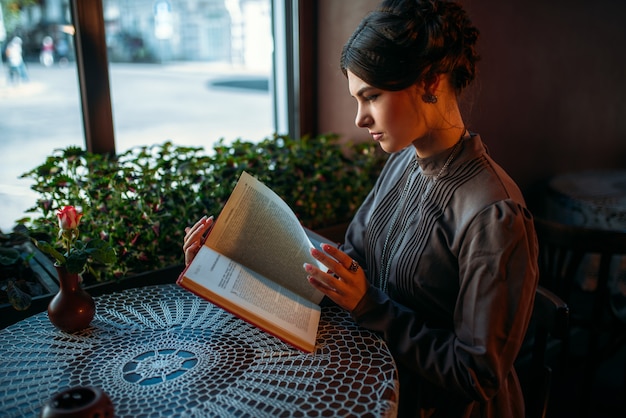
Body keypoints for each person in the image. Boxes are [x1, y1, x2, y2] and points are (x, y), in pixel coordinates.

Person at [183, 0, 538, 416]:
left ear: (430, 80)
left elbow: (476, 374)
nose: (359, 119)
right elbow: (352, 264)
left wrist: (368, 304)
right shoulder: (403, 162)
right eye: (357, 98)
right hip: (373, 379)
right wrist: (230, 256)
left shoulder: (493, 214)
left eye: (371, 97)